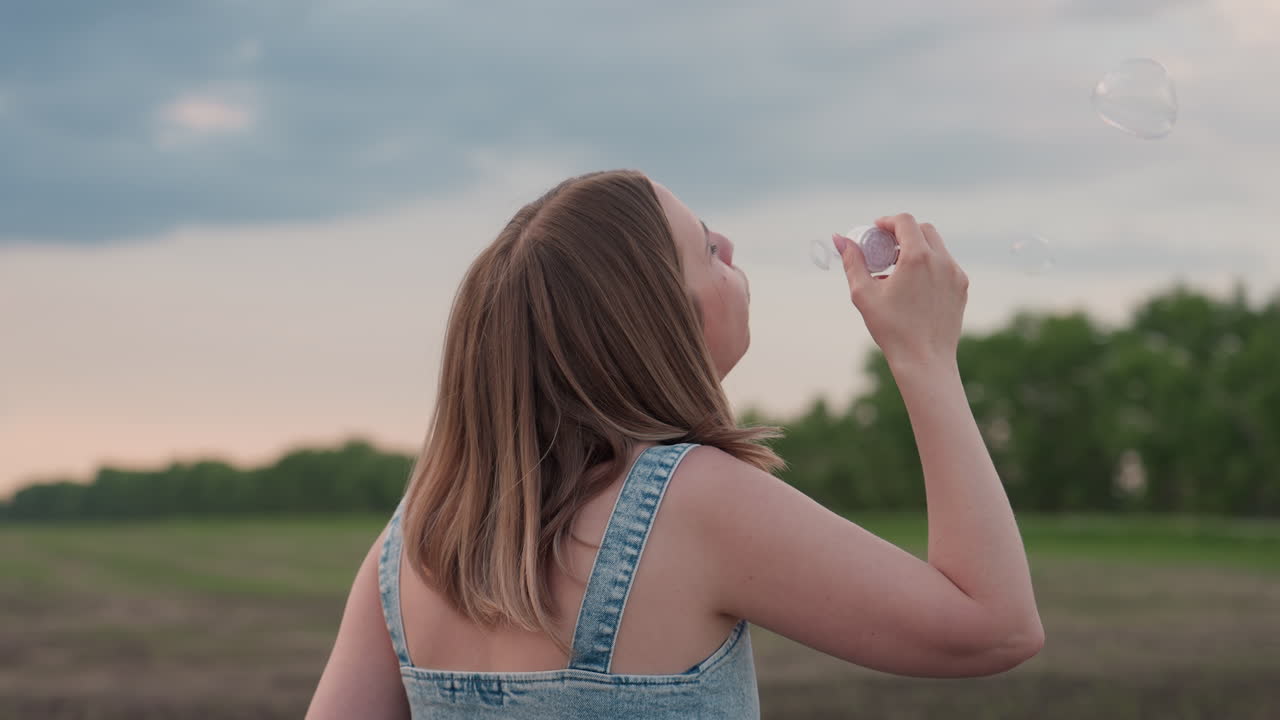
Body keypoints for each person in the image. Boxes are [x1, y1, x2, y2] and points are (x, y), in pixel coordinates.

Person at [305, 170, 1044, 719]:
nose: (729, 244)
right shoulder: (691, 499)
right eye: (704, 245)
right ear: (665, 319)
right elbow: (994, 627)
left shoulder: (413, 541)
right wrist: (924, 354)